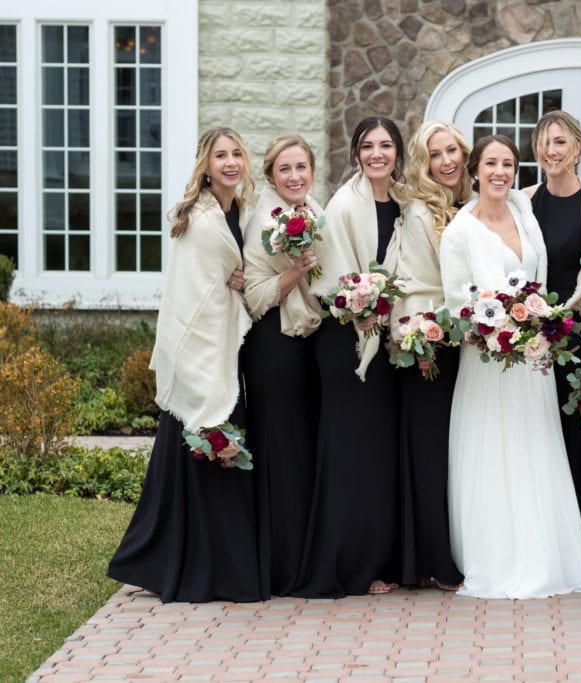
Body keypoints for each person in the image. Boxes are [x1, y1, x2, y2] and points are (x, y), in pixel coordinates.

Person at [108, 127, 268, 602]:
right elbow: (194, 294)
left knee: (227, 459)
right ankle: (185, 567)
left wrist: (244, 280)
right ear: (206, 164)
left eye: (237, 153)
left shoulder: (241, 211)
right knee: (200, 449)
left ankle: (228, 567)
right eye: (221, 156)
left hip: (232, 348)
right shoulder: (199, 217)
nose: (231, 162)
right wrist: (236, 282)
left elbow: (241, 274)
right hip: (201, 350)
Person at [439, 134, 581, 599]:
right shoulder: (459, 232)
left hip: (533, 359)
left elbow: (540, 283)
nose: (499, 172)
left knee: (534, 447)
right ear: (475, 170)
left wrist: (537, 325)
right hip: (487, 362)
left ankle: (544, 554)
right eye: (491, 163)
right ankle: (497, 557)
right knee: (493, 450)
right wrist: (494, 329)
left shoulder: (526, 215)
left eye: (507, 163)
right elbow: (453, 303)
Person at [295, 117, 405, 597]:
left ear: (398, 152)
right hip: (346, 343)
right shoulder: (344, 204)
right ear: (356, 154)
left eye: (385, 145)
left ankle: (374, 560)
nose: (376, 154)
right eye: (367, 146)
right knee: (347, 455)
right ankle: (340, 567)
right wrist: (356, 306)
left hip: (386, 343)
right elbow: (329, 277)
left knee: (378, 457)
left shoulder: (405, 204)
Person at [521, 111, 581, 578]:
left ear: (577, 148)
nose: (550, 151)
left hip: (575, 337)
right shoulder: (524, 201)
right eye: (543, 142)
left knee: (579, 445)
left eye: (559, 142)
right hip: (529, 337)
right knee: (537, 443)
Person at [240, 134, 322, 597]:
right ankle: (280, 567)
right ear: (271, 175)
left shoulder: (313, 211)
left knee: (301, 450)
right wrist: (295, 272)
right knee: (280, 453)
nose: (294, 176)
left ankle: (301, 558)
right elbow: (253, 297)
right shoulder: (264, 221)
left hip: (304, 342)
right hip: (273, 345)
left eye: (301, 167)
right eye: (285, 169)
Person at [392, 121, 471, 592]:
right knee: (431, 455)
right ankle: (433, 560)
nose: (446, 161)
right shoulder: (422, 213)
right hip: (433, 350)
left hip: (471, 349)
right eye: (436, 154)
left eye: (452, 152)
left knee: (459, 454)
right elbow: (417, 284)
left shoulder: (473, 204)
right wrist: (423, 342)